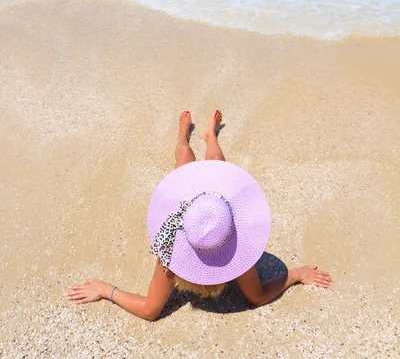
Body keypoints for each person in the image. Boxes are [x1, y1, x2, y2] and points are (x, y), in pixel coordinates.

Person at [66, 110, 333, 321]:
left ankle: (210, 136)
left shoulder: (214, 235)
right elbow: (258, 296)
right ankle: (183, 135)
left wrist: (106, 291)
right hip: (191, 204)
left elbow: (150, 309)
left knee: (212, 162)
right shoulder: (204, 246)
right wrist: (293, 275)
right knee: (189, 156)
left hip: (213, 206)